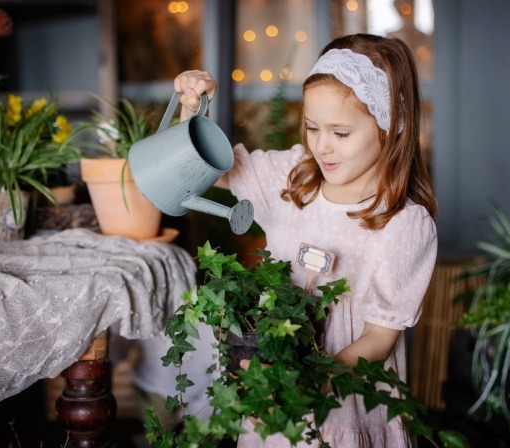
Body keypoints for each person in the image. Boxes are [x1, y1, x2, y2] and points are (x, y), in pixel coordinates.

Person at [173, 33, 438, 448]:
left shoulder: (403, 224)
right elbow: (212, 170)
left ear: (392, 127)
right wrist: (192, 109)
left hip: (340, 405)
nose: (322, 146)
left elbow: (378, 338)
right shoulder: (293, 176)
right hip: (273, 403)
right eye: (313, 127)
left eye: (341, 133)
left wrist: (306, 385)